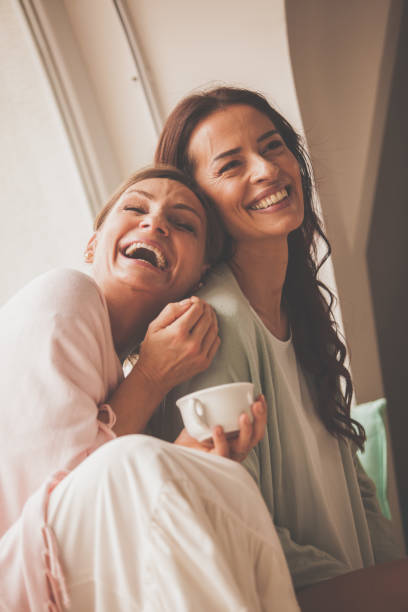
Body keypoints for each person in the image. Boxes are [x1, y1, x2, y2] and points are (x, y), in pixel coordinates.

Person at [0, 165, 300, 611]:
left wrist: (196, 456)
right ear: (92, 243)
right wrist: (152, 377)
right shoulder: (64, 294)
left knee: (227, 487)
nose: (155, 222)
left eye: (181, 224)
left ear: (198, 277)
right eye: (136, 208)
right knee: (138, 462)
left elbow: (96, 496)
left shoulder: (111, 371)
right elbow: (51, 497)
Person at [153, 87, 408, 611]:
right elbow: (235, 524)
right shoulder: (215, 322)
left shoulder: (297, 299)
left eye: (273, 147)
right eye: (231, 166)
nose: (266, 170)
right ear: (197, 202)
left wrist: (384, 570)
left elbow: (352, 475)